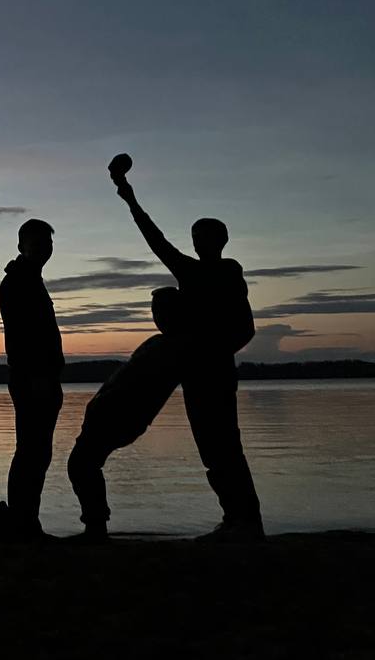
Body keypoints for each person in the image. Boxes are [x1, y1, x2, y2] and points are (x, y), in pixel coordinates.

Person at [112, 160, 264, 541]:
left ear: (217, 242)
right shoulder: (203, 273)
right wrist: (128, 196)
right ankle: (238, 519)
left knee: (223, 447)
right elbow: (155, 238)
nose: (197, 243)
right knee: (216, 449)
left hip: (212, 371)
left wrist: (213, 350)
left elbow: (245, 328)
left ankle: (244, 521)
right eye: (195, 237)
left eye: (203, 237)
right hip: (199, 371)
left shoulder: (217, 273)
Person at [67, 287, 185, 539]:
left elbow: (140, 386)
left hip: (120, 418)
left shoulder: (174, 348)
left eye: (162, 310)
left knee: (81, 464)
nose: (157, 316)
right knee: (83, 464)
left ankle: (96, 526)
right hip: (109, 415)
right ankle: (96, 525)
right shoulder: (159, 342)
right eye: (154, 311)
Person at [0, 218, 63, 541]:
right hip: (31, 378)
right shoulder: (17, 282)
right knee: (30, 452)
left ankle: (27, 521)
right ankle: (22, 522)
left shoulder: (31, 279)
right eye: (36, 243)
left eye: (47, 244)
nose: (44, 249)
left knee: (39, 452)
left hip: (43, 377)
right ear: (22, 246)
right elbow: (21, 338)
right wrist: (37, 377)